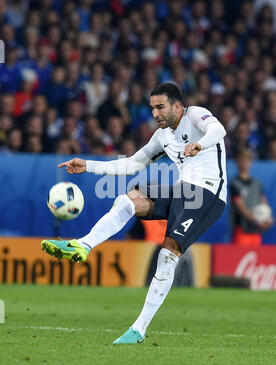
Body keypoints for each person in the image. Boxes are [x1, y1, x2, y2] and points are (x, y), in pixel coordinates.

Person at [41, 83, 227, 344]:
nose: (155, 114)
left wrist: (199, 145)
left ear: (177, 105)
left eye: (160, 107)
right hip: (182, 190)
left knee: (168, 251)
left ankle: (138, 329)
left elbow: (219, 129)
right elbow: (132, 164)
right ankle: (83, 245)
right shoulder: (162, 136)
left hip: (208, 193)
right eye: (152, 108)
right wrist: (88, 165)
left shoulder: (195, 114)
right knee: (128, 199)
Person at [230, 149, 274, 246]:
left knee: (256, 256)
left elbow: (264, 201)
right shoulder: (235, 184)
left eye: (247, 160)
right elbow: (240, 206)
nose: (244, 163)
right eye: (242, 160)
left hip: (256, 230)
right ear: (237, 162)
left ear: (250, 162)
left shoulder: (257, 183)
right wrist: (255, 220)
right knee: (240, 257)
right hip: (242, 229)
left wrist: (269, 218)